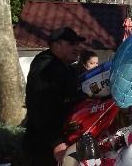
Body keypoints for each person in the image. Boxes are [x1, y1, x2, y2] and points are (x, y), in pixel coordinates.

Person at [24, 27, 86, 166]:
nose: (77, 48)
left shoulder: (67, 68)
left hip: (64, 139)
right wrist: (56, 142)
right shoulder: (46, 67)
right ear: (57, 45)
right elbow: (40, 108)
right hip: (45, 146)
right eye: (72, 44)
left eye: (77, 44)